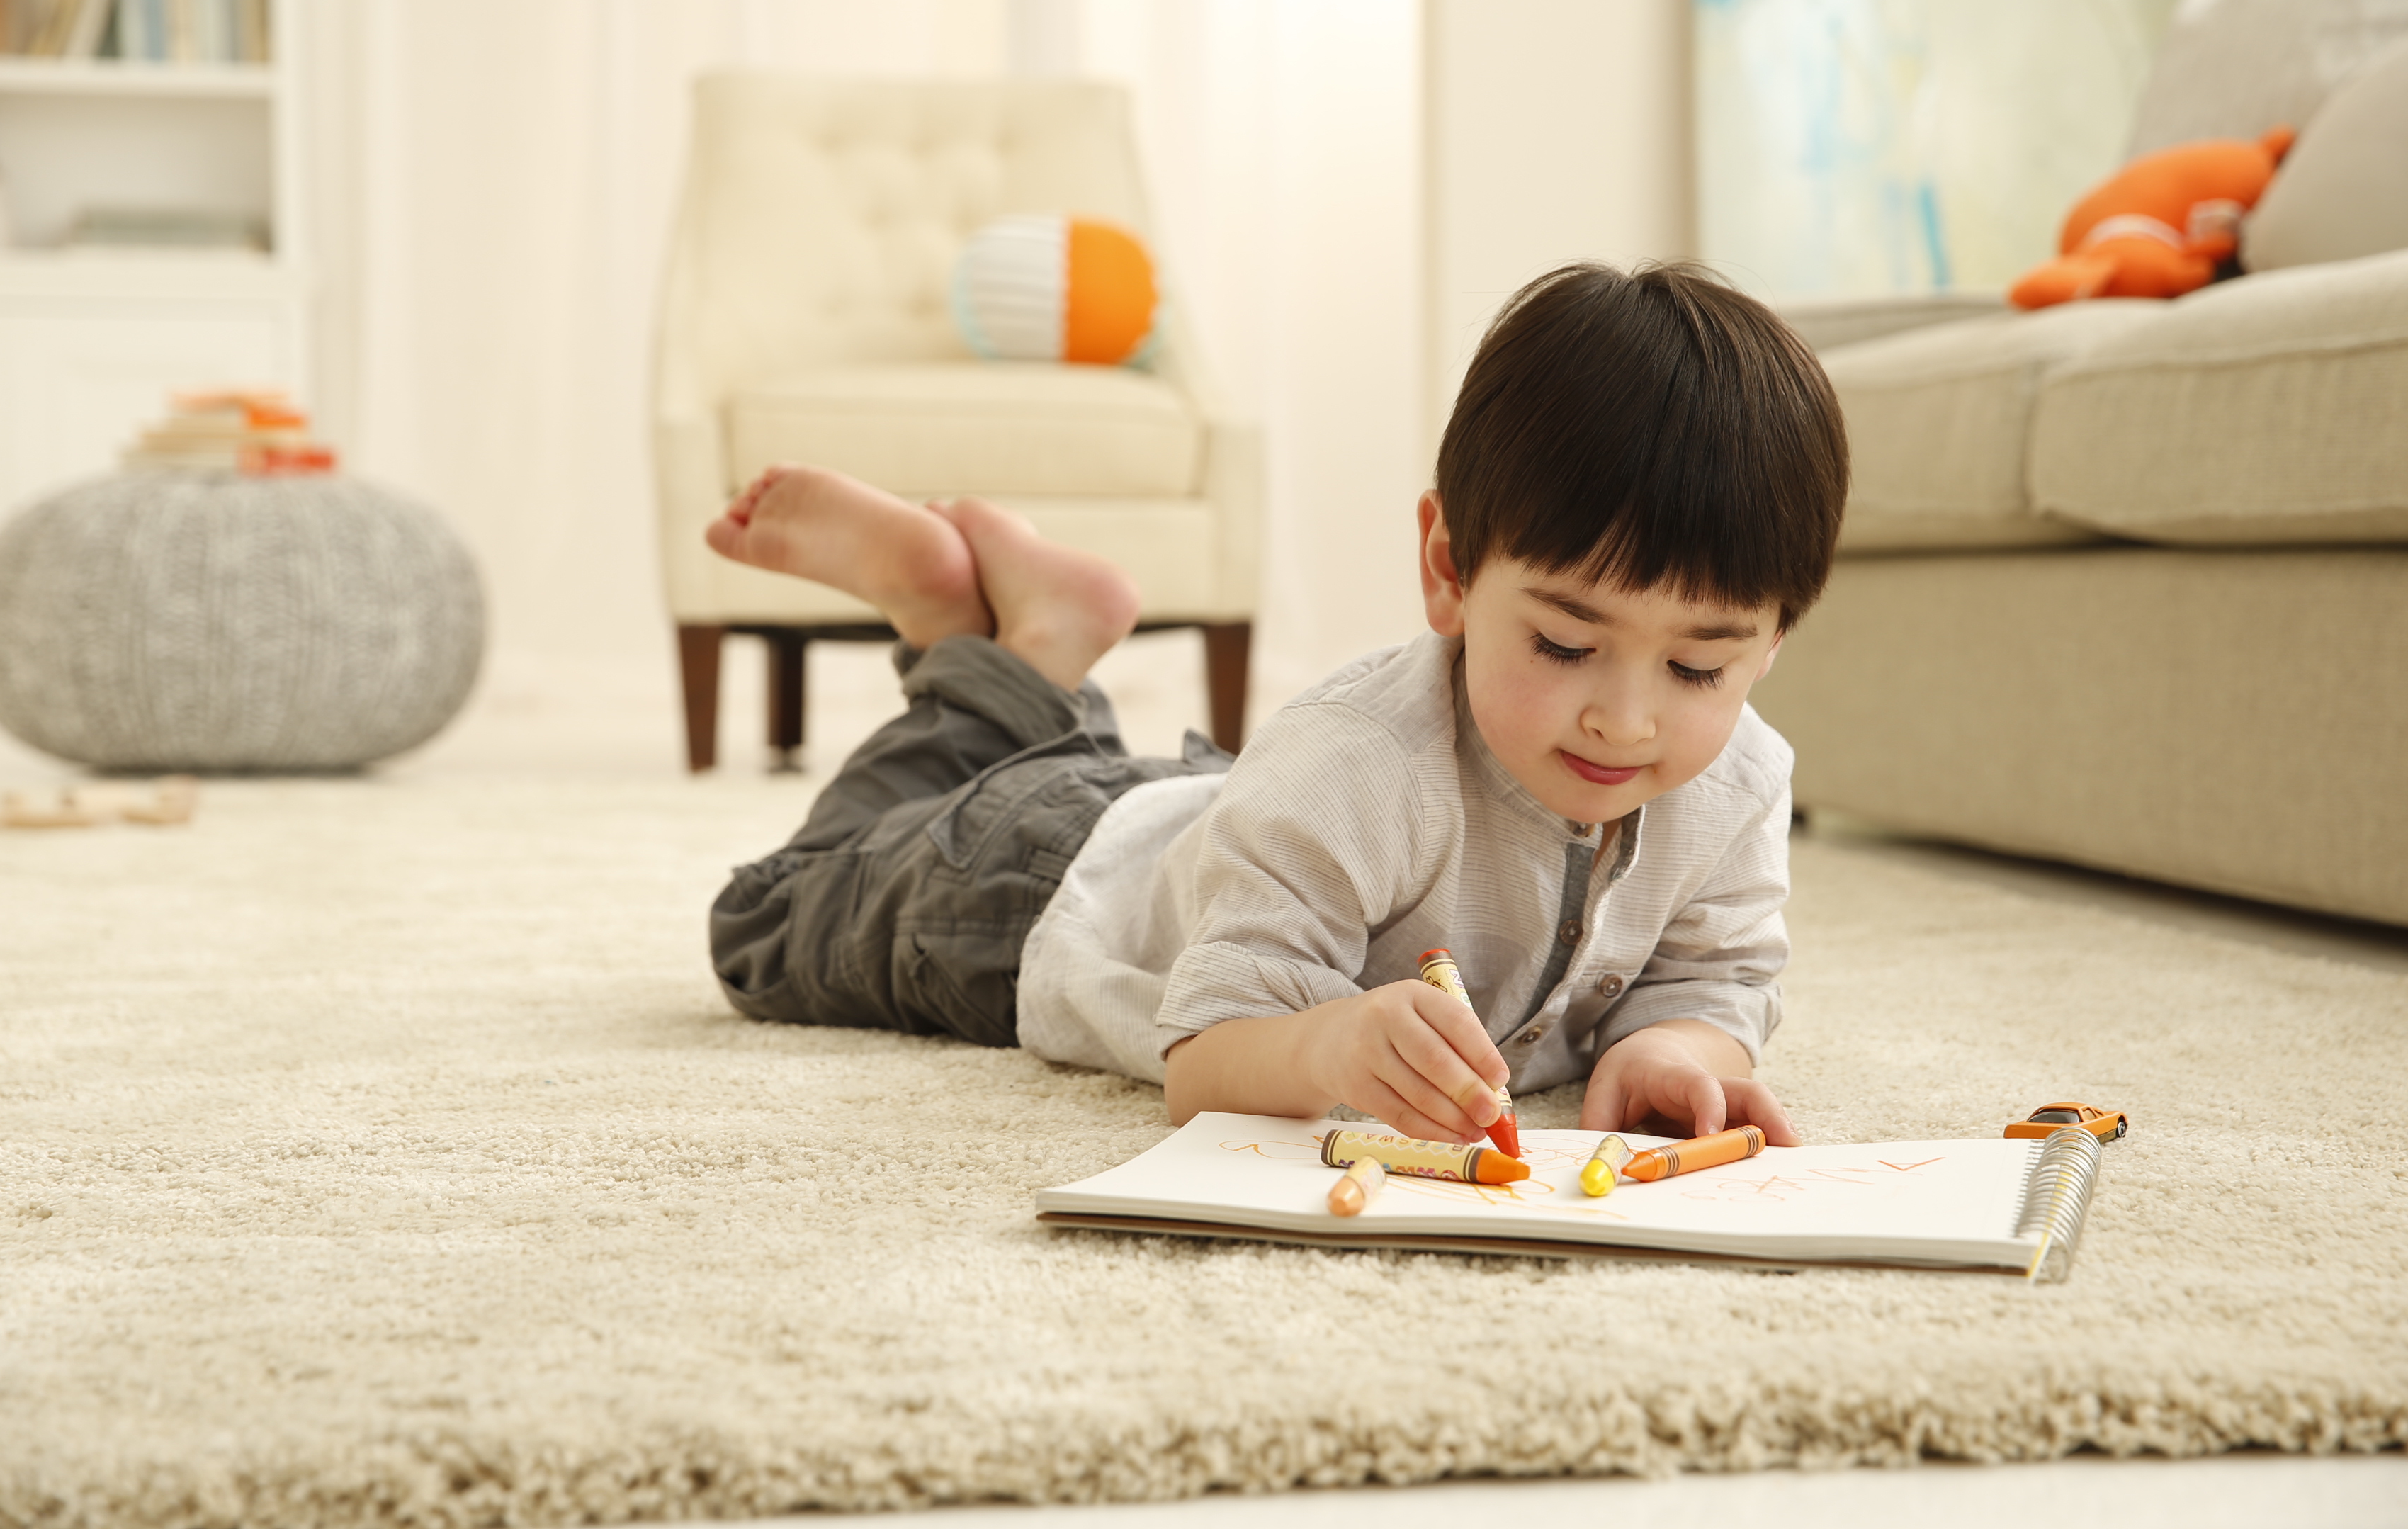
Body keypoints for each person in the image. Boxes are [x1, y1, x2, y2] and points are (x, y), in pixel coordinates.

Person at [706, 260, 1847, 1148]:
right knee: (774, 914)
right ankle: (948, 625)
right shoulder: (1358, 770)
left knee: (1061, 779)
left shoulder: (1740, 781)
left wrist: (1674, 1048)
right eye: (1563, 642)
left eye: (1699, 670)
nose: (1627, 720)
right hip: (1039, 891)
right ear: (1448, 567)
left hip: (1210, 819)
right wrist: (1325, 1048)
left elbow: (1718, 974)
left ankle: (1036, 644)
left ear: (1773, 640)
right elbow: (1205, 1062)